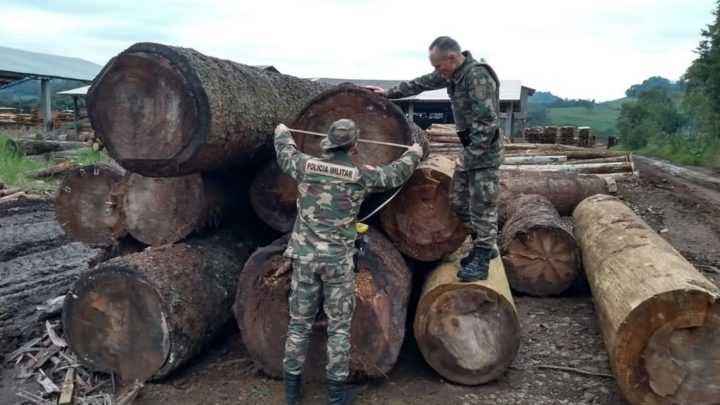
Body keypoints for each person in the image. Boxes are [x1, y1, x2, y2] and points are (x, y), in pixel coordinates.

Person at [274, 119, 422, 405]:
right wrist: (414, 152)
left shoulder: (306, 166)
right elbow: (395, 174)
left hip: (305, 260)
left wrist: (282, 131)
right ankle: (336, 395)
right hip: (337, 264)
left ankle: (291, 392)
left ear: (329, 143)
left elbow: (285, 152)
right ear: (354, 146)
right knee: (338, 327)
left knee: (299, 324)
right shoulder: (360, 176)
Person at [366, 36, 501, 282]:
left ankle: (482, 257)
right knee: (458, 201)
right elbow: (422, 83)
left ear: (452, 57)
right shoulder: (452, 73)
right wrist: (388, 93)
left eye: (438, 65)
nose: (437, 71)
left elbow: (488, 123)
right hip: (471, 147)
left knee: (483, 205)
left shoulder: (477, 77)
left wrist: (471, 155)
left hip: (485, 151)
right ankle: (484, 243)